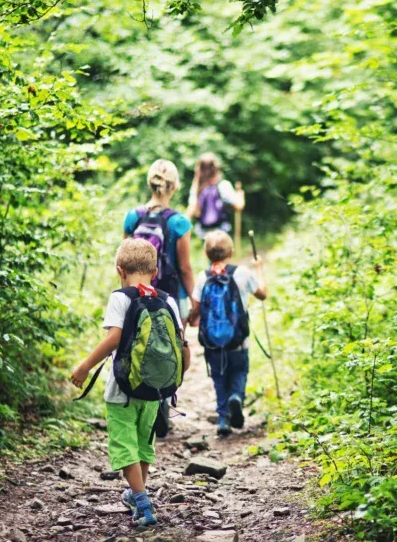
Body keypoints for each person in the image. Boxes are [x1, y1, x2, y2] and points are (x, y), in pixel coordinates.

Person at [71, 239, 190, 531]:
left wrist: (84, 367)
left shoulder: (120, 298)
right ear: (155, 270)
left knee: (124, 445)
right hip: (155, 389)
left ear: (119, 270)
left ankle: (143, 501)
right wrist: (178, 376)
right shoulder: (168, 299)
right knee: (143, 442)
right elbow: (181, 343)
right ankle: (137, 495)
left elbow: (113, 338)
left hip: (121, 391)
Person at [188, 230, 267, 436]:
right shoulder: (241, 273)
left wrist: (192, 319)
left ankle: (223, 419)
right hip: (238, 341)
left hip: (213, 343)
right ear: (231, 252)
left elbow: (195, 310)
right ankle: (237, 398)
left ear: (206, 255)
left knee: (218, 378)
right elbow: (262, 294)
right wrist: (259, 270)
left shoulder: (202, 277)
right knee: (239, 372)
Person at [123, 159, 195, 321]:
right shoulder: (179, 222)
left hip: (138, 296)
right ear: (175, 185)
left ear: (150, 183)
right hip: (172, 298)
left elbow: (123, 262)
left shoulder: (133, 216)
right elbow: (184, 268)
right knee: (175, 344)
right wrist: (195, 302)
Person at [186, 152, 245, 239]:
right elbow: (238, 206)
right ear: (216, 168)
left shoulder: (197, 188)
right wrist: (240, 195)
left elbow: (191, 210)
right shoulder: (223, 185)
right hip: (222, 232)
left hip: (203, 234)